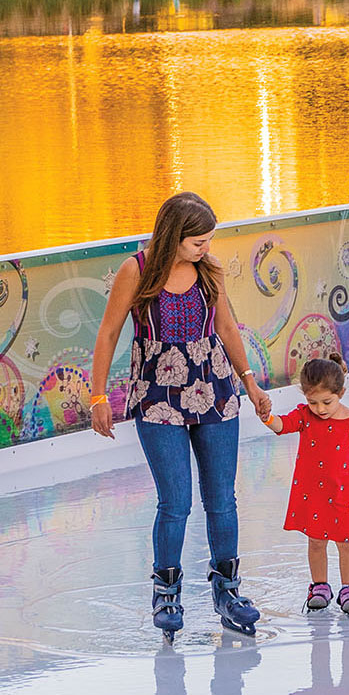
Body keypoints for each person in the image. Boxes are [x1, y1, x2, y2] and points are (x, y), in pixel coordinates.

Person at [90, 191, 272, 642]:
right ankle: (166, 591)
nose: (205, 248)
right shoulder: (137, 270)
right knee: (176, 503)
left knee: (221, 499)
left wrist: (249, 382)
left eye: (209, 240)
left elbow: (227, 328)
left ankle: (227, 590)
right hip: (157, 398)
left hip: (215, 392)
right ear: (174, 235)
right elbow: (109, 332)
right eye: (198, 241)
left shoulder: (209, 271)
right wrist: (97, 397)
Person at [263, 352, 349, 617]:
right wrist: (267, 417)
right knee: (317, 541)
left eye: (326, 402)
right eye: (312, 402)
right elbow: (283, 425)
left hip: (343, 494)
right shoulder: (305, 416)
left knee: (347, 542)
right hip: (313, 494)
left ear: (341, 393)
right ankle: (320, 586)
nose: (319, 409)